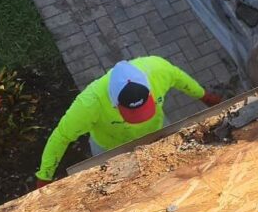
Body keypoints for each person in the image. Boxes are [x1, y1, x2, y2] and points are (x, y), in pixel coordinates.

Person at [35, 57, 222, 185]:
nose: (138, 119)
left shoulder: (158, 69)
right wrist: (44, 176)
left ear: (149, 88)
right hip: (111, 148)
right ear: (113, 101)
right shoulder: (89, 103)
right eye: (132, 113)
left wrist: (204, 96)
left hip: (158, 132)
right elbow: (61, 137)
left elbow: (181, 80)